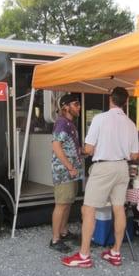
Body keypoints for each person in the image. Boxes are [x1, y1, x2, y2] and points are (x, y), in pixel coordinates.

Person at [62, 87, 138, 268]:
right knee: (118, 209)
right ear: (125, 102)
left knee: (88, 210)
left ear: (110, 99)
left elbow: (88, 149)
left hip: (103, 167)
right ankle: (115, 253)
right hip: (122, 167)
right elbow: (134, 155)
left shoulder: (100, 119)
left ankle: (84, 255)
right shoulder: (131, 123)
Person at [49, 93, 83, 253]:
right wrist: (70, 166)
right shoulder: (62, 123)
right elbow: (56, 146)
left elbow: (69, 147)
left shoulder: (69, 124)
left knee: (68, 203)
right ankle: (55, 239)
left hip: (71, 171)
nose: (79, 107)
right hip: (64, 172)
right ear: (65, 106)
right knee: (61, 204)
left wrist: (84, 151)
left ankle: (63, 231)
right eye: (76, 104)